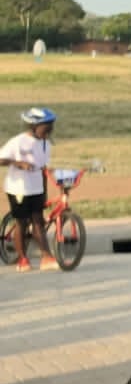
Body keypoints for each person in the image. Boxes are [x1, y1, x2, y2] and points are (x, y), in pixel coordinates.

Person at [2, 108, 58, 272]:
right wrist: (18, 163)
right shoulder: (18, 142)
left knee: (38, 221)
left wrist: (45, 190)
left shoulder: (46, 144)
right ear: (34, 126)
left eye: (51, 126)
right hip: (19, 189)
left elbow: (42, 168)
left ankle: (46, 257)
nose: (50, 130)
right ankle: (22, 259)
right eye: (47, 126)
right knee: (22, 222)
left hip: (36, 188)